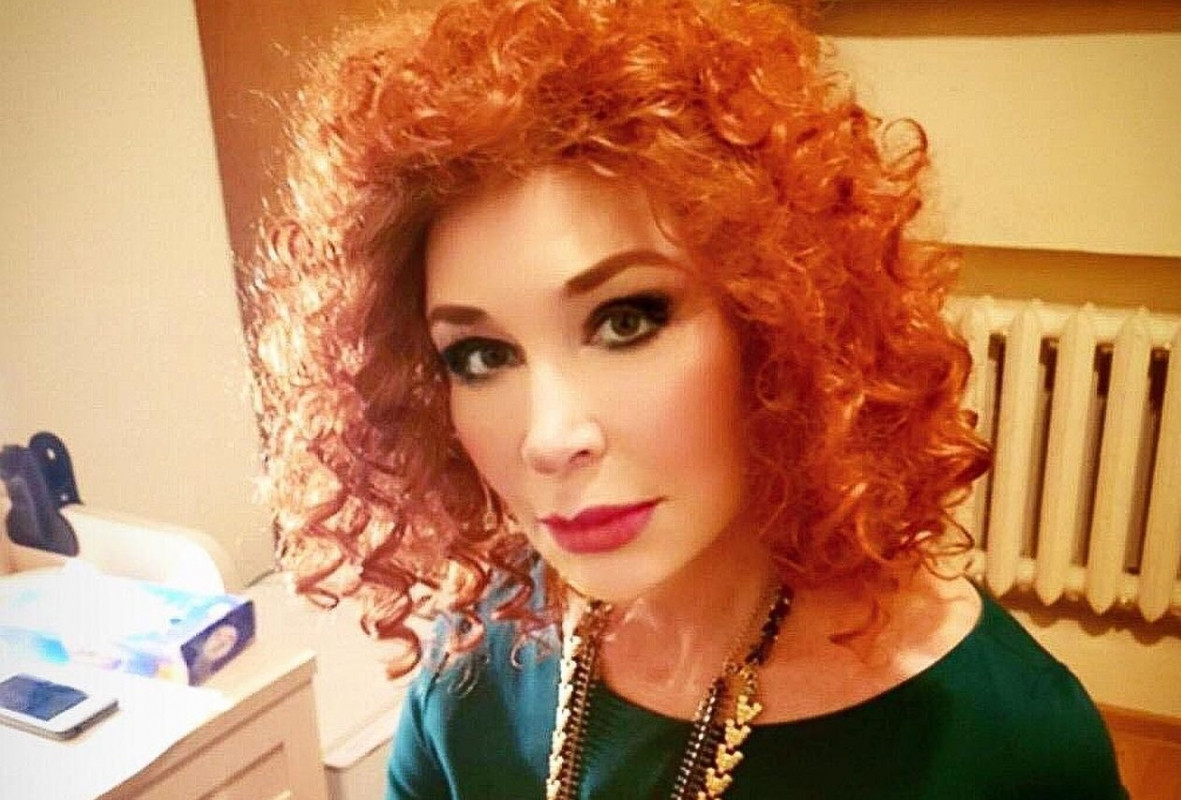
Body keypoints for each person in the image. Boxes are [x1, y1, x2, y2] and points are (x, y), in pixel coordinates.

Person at [248, 0, 1128, 797]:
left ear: (780, 320)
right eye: (480, 354)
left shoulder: (1005, 748)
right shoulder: (478, 658)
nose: (550, 438)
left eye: (626, 320)